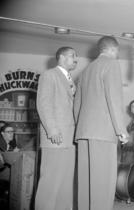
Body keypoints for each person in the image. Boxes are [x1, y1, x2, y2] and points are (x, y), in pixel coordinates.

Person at [74, 36, 129, 210]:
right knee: (103, 181)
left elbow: (77, 104)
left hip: (84, 131)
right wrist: (121, 130)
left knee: (86, 180)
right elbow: (114, 98)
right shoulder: (111, 64)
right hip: (103, 132)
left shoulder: (86, 70)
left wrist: (80, 127)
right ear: (113, 49)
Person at [35, 46, 78, 210]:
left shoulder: (69, 79)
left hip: (69, 139)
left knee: (66, 183)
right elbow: (43, 104)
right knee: (50, 183)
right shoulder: (49, 75)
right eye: (72, 55)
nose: (76, 59)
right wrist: (52, 130)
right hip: (55, 138)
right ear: (61, 57)